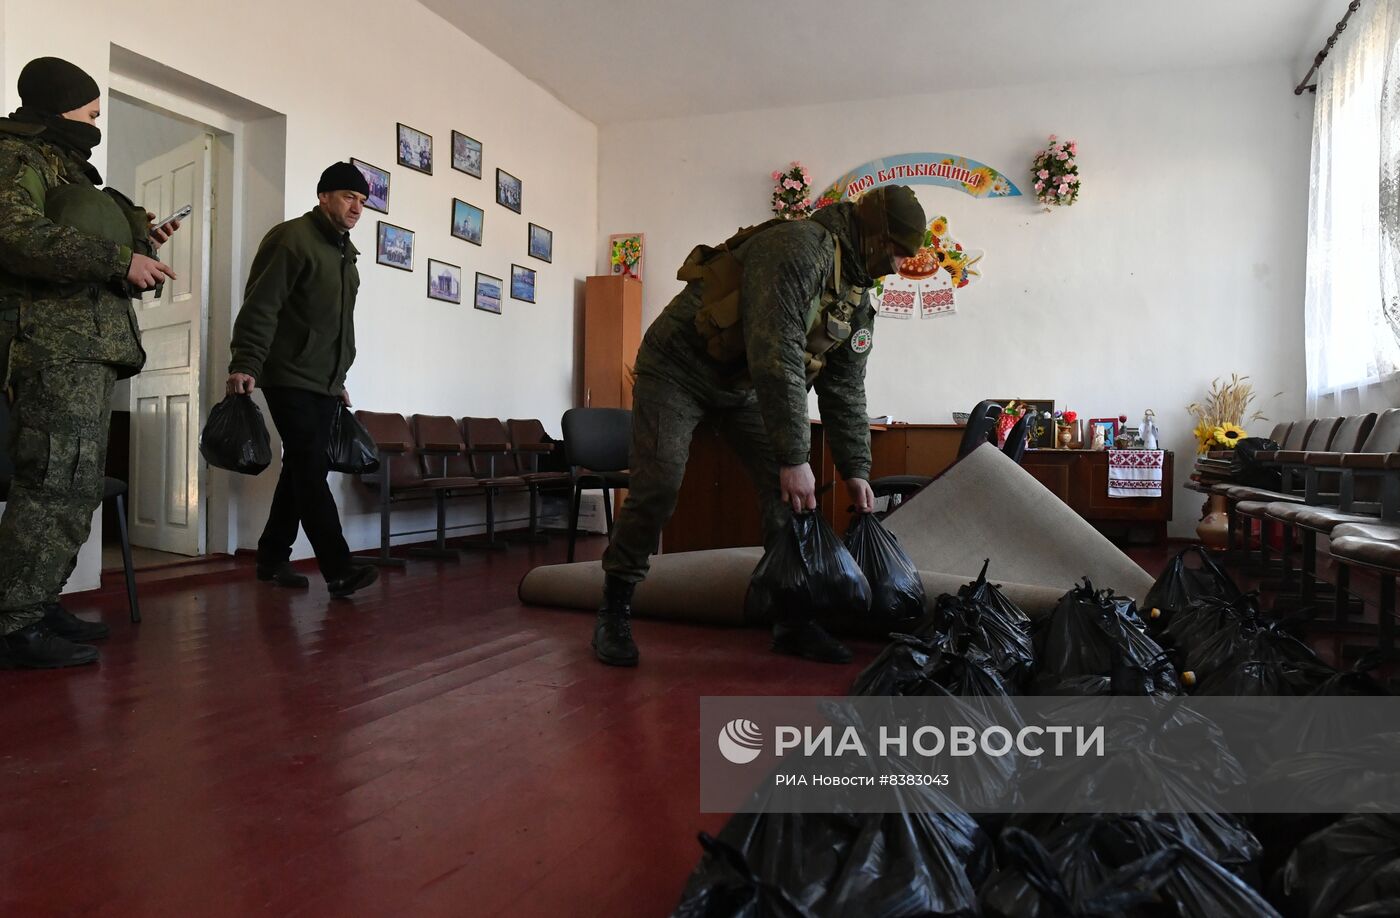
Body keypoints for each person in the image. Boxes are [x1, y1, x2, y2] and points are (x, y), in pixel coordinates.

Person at [592, 185, 926, 667]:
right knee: (660, 483)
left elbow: (845, 386)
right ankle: (614, 608)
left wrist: (857, 468)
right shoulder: (799, 247)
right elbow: (777, 354)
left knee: (789, 496)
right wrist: (794, 457)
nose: (897, 267)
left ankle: (791, 620)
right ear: (874, 234)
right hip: (679, 367)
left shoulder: (857, 299)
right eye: (896, 252)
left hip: (741, 385)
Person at [0, 57, 179, 669]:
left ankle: (35, 602)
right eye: (89, 106)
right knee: (52, 480)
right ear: (59, 103)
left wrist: (136, 254)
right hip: (52, 346)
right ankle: (10, 624)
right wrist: (115, 257)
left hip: (86, 347)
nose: (97, 116)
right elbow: (12, 232)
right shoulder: (17, 154)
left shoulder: (67, 165)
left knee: (74, 485)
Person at [226, 163, 378, 599]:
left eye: (363, 201)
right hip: (287, 374)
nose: (357, 208)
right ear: (324, 196)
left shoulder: (345, 254)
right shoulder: (291, 238)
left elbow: (337, 326)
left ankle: (272, 558)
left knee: (300, 466)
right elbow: (262, 305)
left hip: (322, 381)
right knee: (311, 467)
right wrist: (246, 362)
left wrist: (338, 379)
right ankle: (339, 567)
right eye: (349, 197)